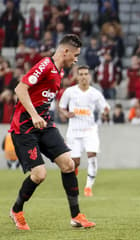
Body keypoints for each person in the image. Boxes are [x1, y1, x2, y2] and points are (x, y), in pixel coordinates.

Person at [9, 34, 96, 230]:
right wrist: (34, 115)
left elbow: (42, 97)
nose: (76, 59)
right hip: (24, 127)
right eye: (75, 55)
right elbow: (20, 89)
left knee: (68, 163)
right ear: (65, 51)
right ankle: (16, 210)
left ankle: (76, 216)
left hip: (44, 124)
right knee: (39, 174)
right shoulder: (45, 65)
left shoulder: (60, 72)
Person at [59, 65, 110, 197]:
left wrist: (105, 113)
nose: (83, 77)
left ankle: (88, 187)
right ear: (77, 77)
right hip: (74, 131)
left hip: (90, 130)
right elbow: (61, 107)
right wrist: (65, 114)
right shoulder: (69, 92)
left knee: (92, 155)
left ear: (89, 76)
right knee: (75, 162)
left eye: (85, 74)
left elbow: (104, 108)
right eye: (80, 74)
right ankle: (74, 175)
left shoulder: (95, 93)